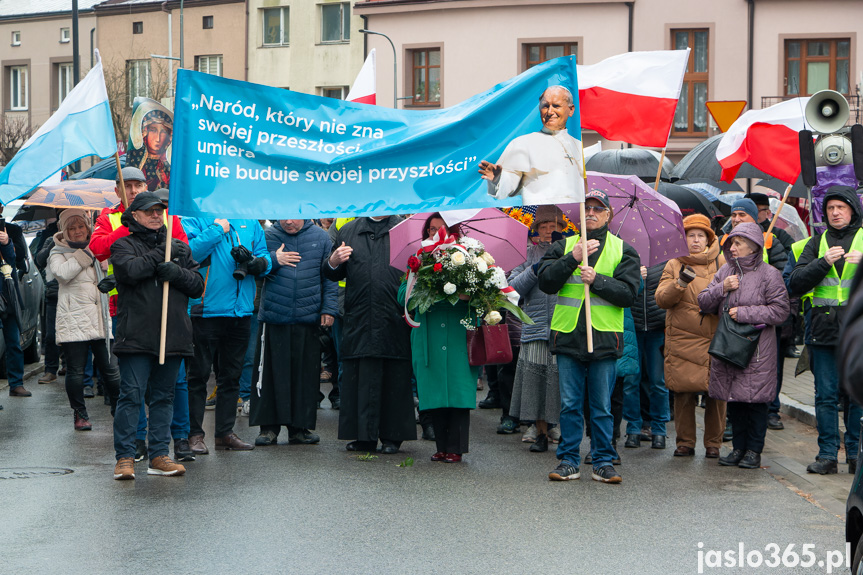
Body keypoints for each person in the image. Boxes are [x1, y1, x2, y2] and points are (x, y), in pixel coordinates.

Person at [538, 189, 640, 483]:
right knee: (569, 405)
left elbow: (629, 294)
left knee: (602, 407)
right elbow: (545, 282)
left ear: (608, 214)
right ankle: (568, 460)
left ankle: (602, 461)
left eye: (598, 209)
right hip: (569, 338)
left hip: (605, 339)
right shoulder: (564, 245)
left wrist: (598, 281)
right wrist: (572, 258)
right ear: (579, 215)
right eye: (587, 209)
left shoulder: (624, 250)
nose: (592, 213)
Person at [110, 192, 204, 480]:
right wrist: (159, 254)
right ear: (134, 216)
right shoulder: (123, 244)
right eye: (148, 211)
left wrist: (176, 272)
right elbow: (129, 271)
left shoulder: (179, 248)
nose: (155, 215)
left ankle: (160, 455)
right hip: (136, 336)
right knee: (132, 395)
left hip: (172, 334)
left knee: (165, 397)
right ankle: (125, 457)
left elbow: (198, 286)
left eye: (159, 210)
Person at [698, 222, 790, 469]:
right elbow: (704, 303)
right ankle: (738, 448)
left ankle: (753, 451)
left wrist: (746, 313)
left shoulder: (769, 274)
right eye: (731, 243)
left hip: (758, 351)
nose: (733, 247)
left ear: (753, 246)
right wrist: (721, 288)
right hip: (729, 347)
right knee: (735, 400)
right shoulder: (725, 271)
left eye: (738, 242)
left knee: (756, 402)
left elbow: (780, 311)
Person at [323, 215, 416, 454]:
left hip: (394, 315)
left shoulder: (405, 230)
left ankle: (392, 437)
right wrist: (332, 261)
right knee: (361, 378)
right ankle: (363, 436)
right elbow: (333, 273)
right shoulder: (349, 230)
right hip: (360, 315)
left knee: (395, 377)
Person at [789, 186, 863, 475]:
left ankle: (856, 456)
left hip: (857, 335)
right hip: (823, 334)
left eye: (841, 207)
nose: (835, 213)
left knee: (858, 397)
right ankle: (827, 455)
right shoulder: (815, 243)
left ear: (852, 210)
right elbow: (795, 283)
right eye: (830, 208)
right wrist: (823, 263)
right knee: (825, 397)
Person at [183, 215, 272, 453]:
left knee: (231, 377)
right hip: (205, 310)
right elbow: (188, 254)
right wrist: (215, 229)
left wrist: (257, 263)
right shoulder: (196, 217)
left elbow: (264, 256)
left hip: (240, 311)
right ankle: (194, 434)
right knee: (198, 376)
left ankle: (224, 433)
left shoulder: (250, 221)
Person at [398, 220, 479, 462]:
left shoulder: (470, 257)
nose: (436, 233)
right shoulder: (420, 258)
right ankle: (440, 446)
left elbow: (483, 294)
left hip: (458, 333)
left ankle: (456, 447)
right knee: (434, 391)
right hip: (430, 334)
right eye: (432, 229)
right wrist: (423, 282)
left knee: (457, 390)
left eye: (442, 228)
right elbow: (403, 295)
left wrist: (461, 293)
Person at [251, 219, 337, 446]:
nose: (288, 221)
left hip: (308, 317)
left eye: (294, 216)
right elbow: (254, 270)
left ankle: (300, 429)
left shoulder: (321, 237)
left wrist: (329, 308)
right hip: (274, 316)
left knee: (305, 376)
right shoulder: (267, 236)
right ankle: (268, 429)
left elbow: (329, 277)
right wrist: (273, 260)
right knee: (270, 375)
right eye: (284, 215)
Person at [655, 214, 726, 457]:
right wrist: (680, 284)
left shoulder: (721, 263)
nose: (695, 240)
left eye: (700, 235)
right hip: (683, 339)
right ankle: (685, 442)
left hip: (715, 337)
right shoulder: (673, 263)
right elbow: (662, 299)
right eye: (690, 235)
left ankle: (713, 444)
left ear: (709, 239)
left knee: (716, 394)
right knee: (683, 391)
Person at [47, 209, 120, 430]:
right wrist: (88, 253)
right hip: (74, 318)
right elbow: (62, 273)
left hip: (100, 317)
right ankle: (80, 414)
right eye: (72, 228)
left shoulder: (99, 248)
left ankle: (119, 411)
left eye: (81, 227)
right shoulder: (57, 252)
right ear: (64, 231)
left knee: (111, 371)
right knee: (76, 371)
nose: (78, 231)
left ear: (88, 228)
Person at [507, 206, 565, 452]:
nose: (549, 231)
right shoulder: (528, 254)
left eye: (554, 227)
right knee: (535, 381)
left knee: (558, 381)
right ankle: (537, 428)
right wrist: (534, 270)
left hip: (563, 327)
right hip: (535, 326)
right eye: (544, 227)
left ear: (562, 229)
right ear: (536, 230)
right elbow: (512, 288)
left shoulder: (570, 253)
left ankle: (555, 424)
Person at [478, 86, 584, 205]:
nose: (549, 112)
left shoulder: (579, 146)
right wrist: (498, 179)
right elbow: (508, 185)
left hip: (576, 219)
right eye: (545, 106)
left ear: (571, 110)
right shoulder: (523, 143)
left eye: (556, 106)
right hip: (542, 219)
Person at [624, 261, 670, 449]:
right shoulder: (626, 256)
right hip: (632, 327)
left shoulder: (666, 262)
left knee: (658, 381)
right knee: (630, 381)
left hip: (657, 328)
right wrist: (636, 278)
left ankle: (659, 430)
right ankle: (633, 428)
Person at [0, 216, 27, 399]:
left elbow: (17, 260)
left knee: (13, 342)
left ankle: (16, 383)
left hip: (8, 295)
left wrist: (7, 242)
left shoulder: (12, 230)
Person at [126, 106, 172, 191]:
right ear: (145, 132)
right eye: (153, 130)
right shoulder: (134, 158)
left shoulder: (170, 163)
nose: (158, 138)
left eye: (163, 132)